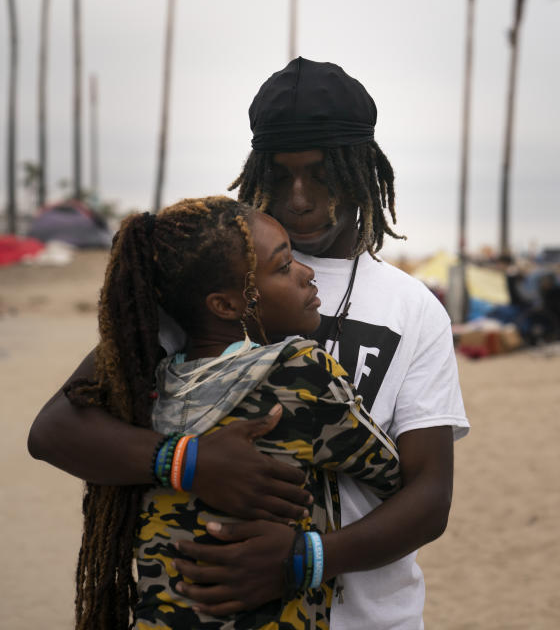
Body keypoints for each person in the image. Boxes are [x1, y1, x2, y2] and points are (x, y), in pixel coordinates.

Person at [28, 57, 469, 629]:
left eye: (320, 172)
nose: (300, 197)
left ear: (362, 166)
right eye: (280, 174)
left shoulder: (413, 311)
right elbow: (56, 431)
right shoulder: (217, 277)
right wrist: (186, 461)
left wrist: (302, 560)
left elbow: (429, 496)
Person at [69, 196, 401, 628]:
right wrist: (312, 554)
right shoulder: (300, 373)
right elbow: (392, 473)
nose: (307, 272)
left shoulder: (147, 389)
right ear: (225, 306)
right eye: (284, 267)